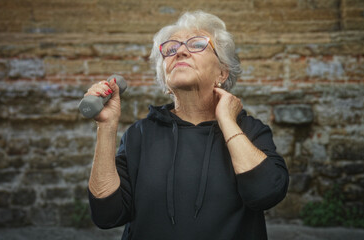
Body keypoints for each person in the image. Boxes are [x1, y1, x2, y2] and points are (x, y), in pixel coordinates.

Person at [86, 11, 289, 240]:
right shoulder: (140, 134)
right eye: (170, 49)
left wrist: (227, 121)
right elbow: (106, 215)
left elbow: (266, 193)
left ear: (222, 72)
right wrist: (106, 126)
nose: (180, 51)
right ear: (164, 78)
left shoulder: (250, 131)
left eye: (197, 44)